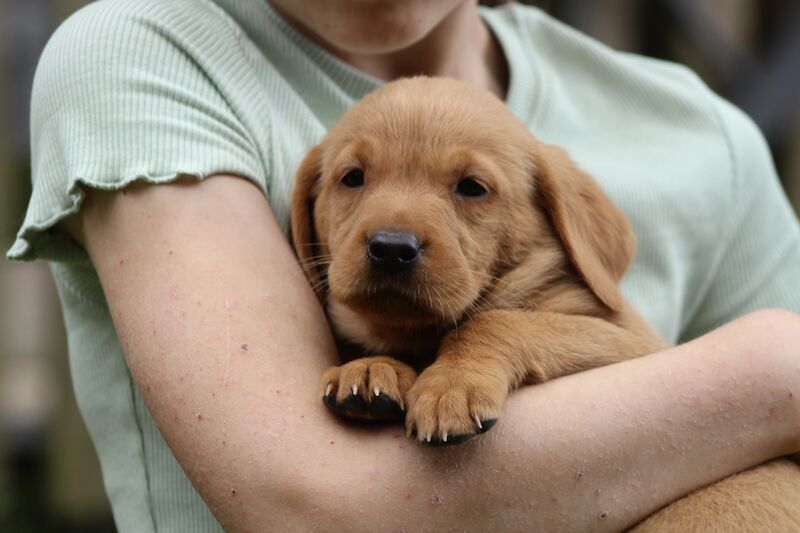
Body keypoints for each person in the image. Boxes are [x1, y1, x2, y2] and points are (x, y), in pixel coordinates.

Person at [8, 0, 800, 530]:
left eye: (471, 189)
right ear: (306, 211)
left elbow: (628, 347)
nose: (393, 234)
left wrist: (489, 346)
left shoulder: (701, 131)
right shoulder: (151, 54)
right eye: (354, 178)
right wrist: (770, 371)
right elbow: (308, 503)